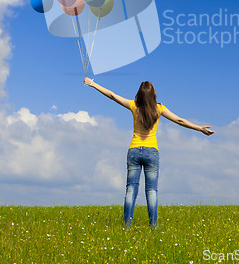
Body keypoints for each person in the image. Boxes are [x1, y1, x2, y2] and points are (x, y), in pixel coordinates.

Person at [83, 77, 214, 229]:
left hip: (134, 151)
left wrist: (93, 84)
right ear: (153, 94)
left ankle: (126, 227)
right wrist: (199, 128)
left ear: (139, 94)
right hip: (152, 153)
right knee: (151, 191)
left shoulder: (133, 105)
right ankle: (154, 227)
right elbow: (180, 121)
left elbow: (112, 95)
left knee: (131, 189)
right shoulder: (159, 108)